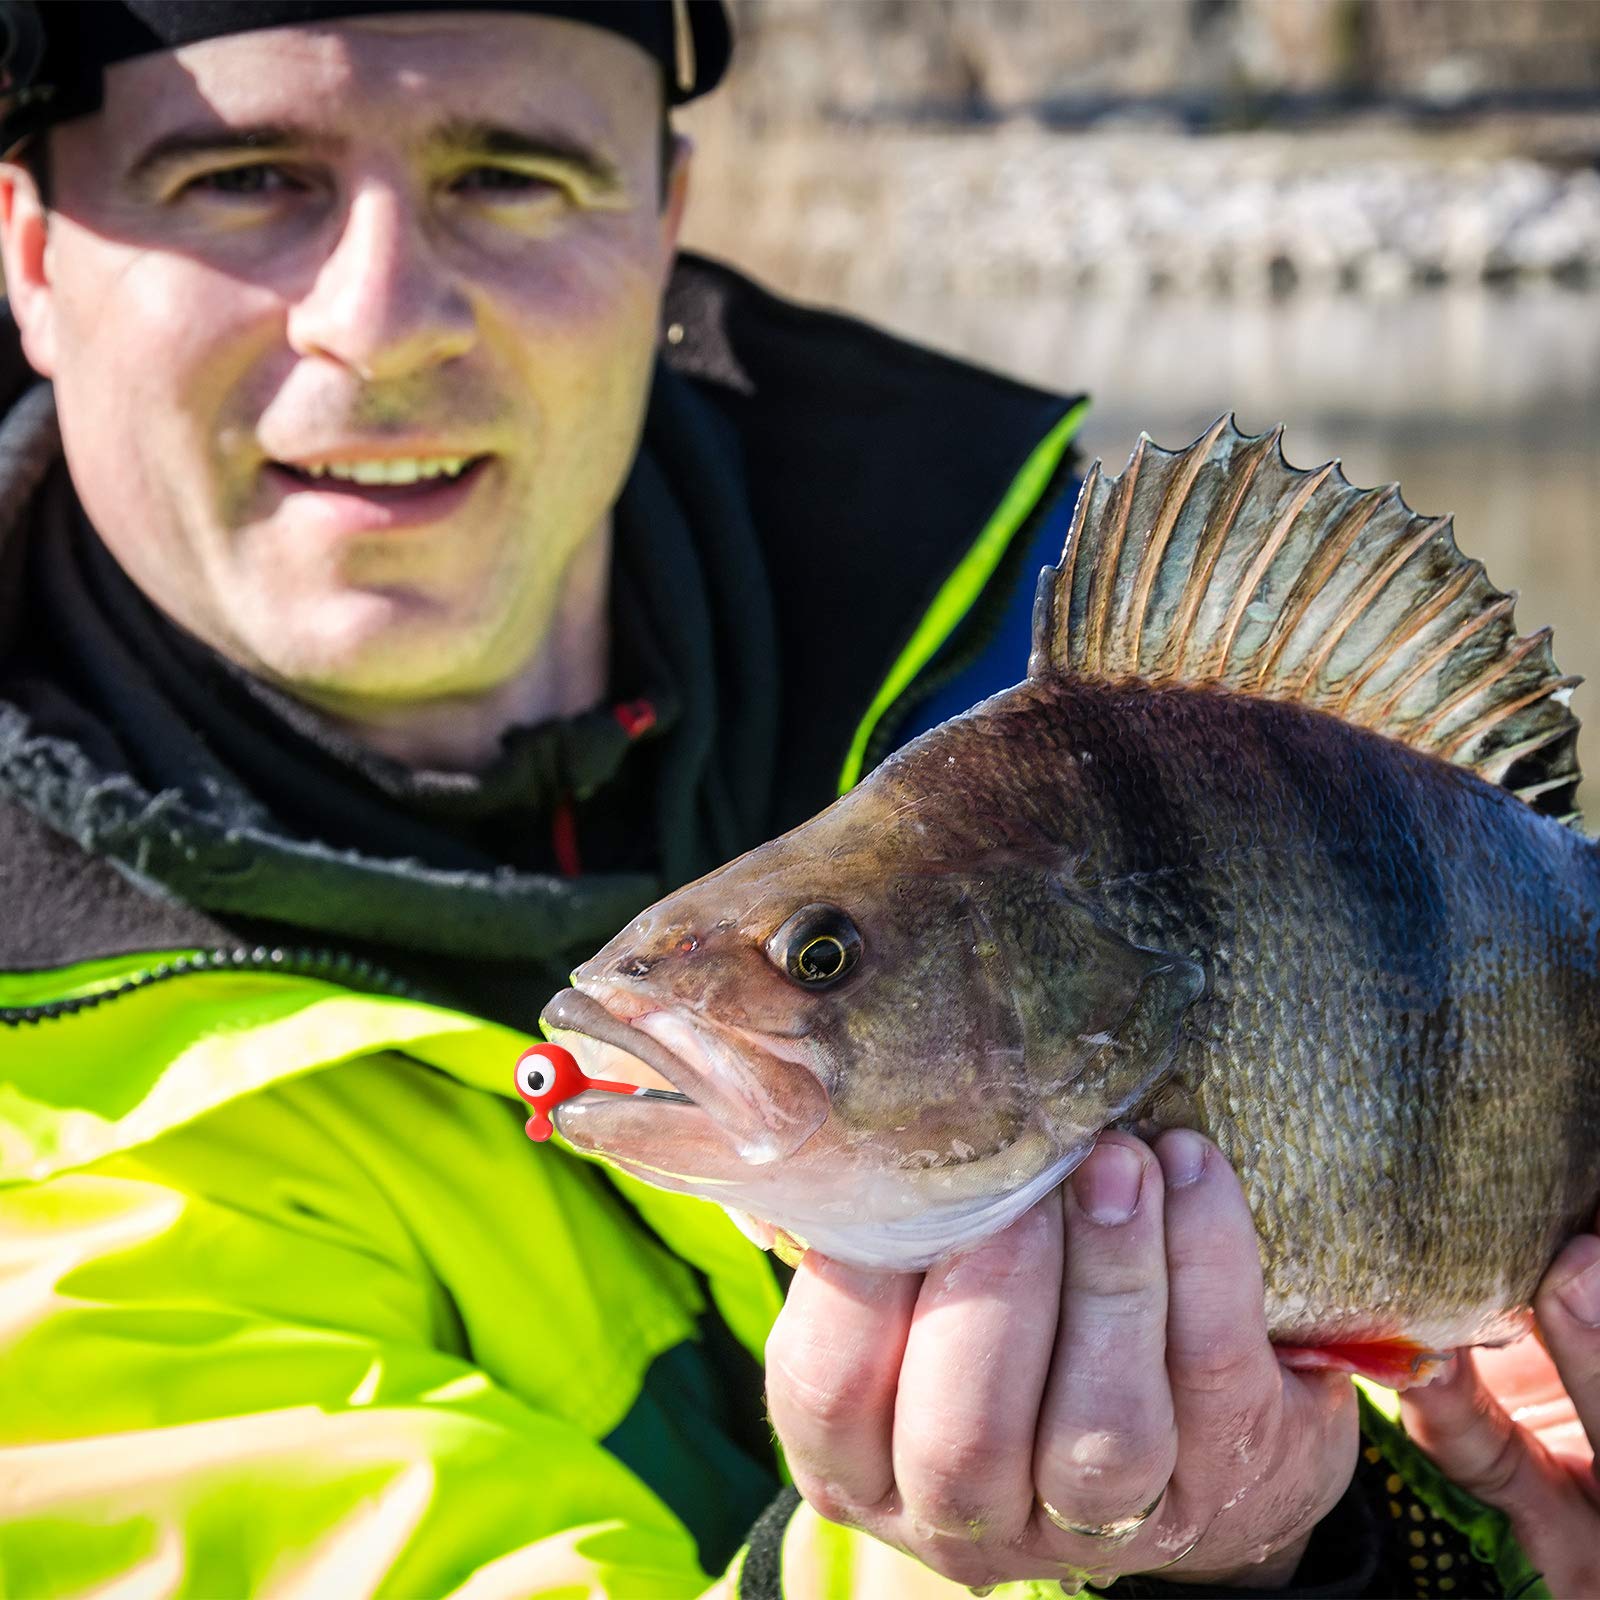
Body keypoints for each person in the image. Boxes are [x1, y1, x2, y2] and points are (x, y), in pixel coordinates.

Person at [0, 2, 1591, 1595]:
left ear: (664, 217)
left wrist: (1487, 1542)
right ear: (29, 248)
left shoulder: (1041, 653)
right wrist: (1119, 1568)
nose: (383, 318)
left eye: (510, 175)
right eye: (240, 176)